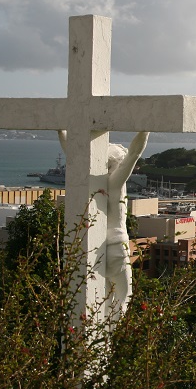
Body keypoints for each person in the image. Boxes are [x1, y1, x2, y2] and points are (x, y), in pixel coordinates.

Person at [58, 130, 150, 309]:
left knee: (100, 302)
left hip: (92, 248)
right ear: (118, 163)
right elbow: (134, 153)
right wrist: (146, 129)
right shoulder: (115, 183)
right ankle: (111, 336)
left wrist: (61, 132)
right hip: (116, 247)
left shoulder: (92, 181)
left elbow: (74, 155)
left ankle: (100, 333)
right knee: (123, 299)